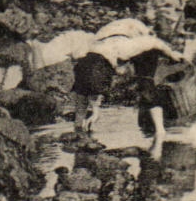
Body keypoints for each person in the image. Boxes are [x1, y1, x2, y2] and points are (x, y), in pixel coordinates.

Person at [67, 19, 189, 159]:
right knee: (87, 84)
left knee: (145, 84)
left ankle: (160, 132)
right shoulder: (84, 57)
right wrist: (83, 121)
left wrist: (172, 54)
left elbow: (154, 42)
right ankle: (79, 124)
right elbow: (84, 90)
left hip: (136, 32)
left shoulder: (127, 49)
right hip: (110, 35)